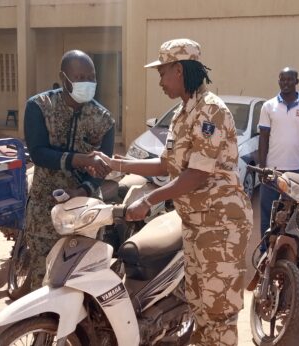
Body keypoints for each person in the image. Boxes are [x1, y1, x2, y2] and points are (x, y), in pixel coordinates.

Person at [95, 38, 251, 346]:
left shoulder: (210, 111)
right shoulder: (183, 113)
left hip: (221, 227)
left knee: (217, 313)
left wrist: (150, 199)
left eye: (162, 72)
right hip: (196, 225)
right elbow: (169, 164)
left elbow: (195, 174)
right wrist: (117, 163)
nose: (160, 81)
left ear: (179, 70)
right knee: (199, 305)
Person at [23, 50, 114, 291]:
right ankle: (42, 328)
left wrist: (83, 188)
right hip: (45, 212)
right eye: (80, 76)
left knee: (83, 284)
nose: (87, 81)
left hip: (87, 212)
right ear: (64, 78)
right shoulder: (39, 107)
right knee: (44, 284)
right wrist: (80, 160)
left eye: (91, 76)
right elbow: (38, 153)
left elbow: (104, 165)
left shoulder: (103, 119)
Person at [257, 67, 299, 252]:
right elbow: (264, 138)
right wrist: (262, 168)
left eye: (289, 80)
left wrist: (294, 140)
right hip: (272, 171)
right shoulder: (269, 106)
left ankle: (289, 252)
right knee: (269, 213)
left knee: (293, 214)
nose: (285, 83)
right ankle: (265, 251)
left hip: (296, 171)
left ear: (297, 81)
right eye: (282, 80)